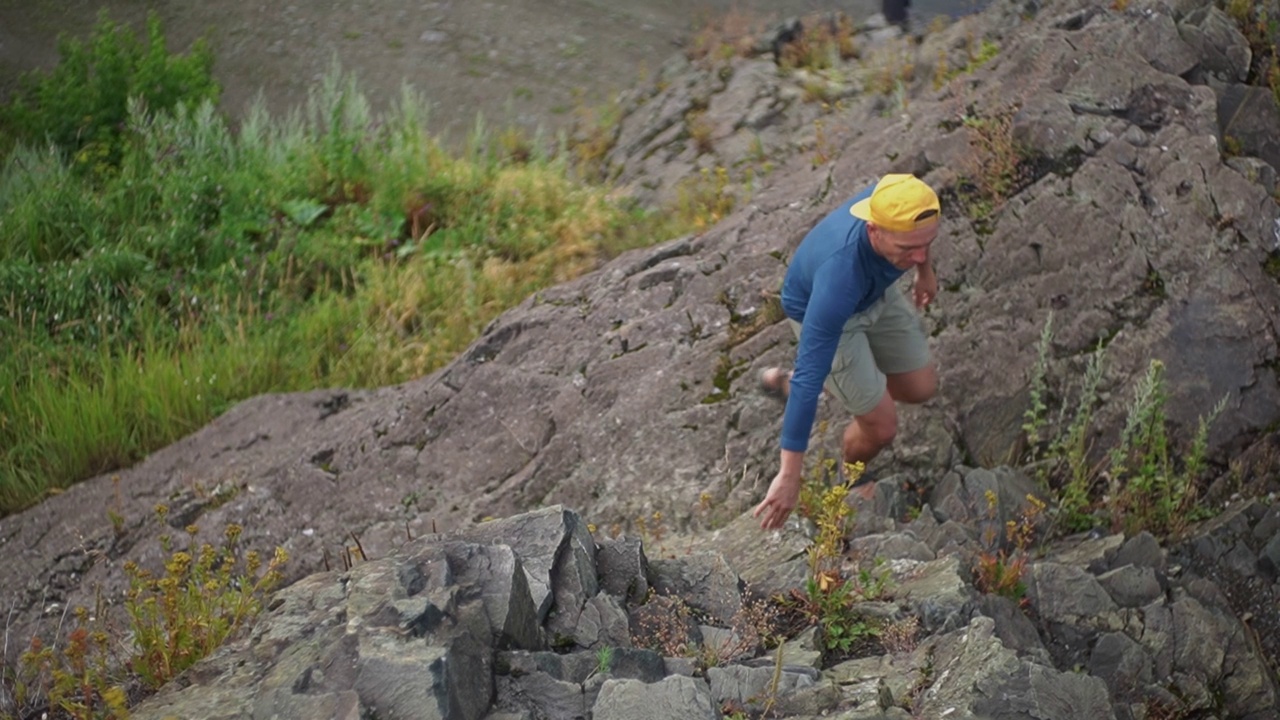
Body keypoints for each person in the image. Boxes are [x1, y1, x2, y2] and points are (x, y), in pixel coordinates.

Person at [753, 174, 942, 531]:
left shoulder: (901, 201)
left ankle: (841, 382)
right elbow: (811, 379)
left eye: (926, 244)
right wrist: (789, 476)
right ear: (874, 231)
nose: (917, 254)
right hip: (827, 314)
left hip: (875, 294)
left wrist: (924, 271)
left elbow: (919, 235)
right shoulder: (839, 276)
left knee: (921, 388)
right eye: (907, 250)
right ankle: (851, 472)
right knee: (882, 426)